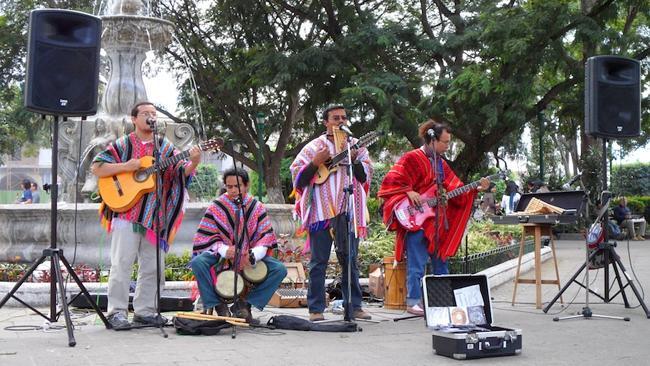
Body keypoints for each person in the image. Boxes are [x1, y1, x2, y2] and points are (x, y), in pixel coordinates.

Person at [91, 101, 201, 330]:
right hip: (127, 214)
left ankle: (145, 311)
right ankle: (117, 312)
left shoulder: (164, 145)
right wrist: (127, 167)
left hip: (155, 217)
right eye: (146, 113)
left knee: (153, 267)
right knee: (121, 264)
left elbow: (179, 173)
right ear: (134, 119)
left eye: (154, 113)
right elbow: (98, 167)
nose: (151, 116)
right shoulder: (123, 145)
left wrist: (194, 161)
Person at [378, 119, 489, 316]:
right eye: (445, 142)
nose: (448, 146)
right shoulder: (410, 158)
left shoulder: (441, 164)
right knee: (417, 264)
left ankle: (443, 301)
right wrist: (408, 192)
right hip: (416, 222)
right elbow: (391, 181)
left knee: (441, 262)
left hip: (436, 222)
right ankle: (413, 302)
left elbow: (455, 186)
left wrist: (476, 188)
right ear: (432, 140)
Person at [290, 105, 373, 322]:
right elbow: (298, 178)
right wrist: (316, 162)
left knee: (350, 259)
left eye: (344, 117)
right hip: (321, 211)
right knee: (319, 260)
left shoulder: (356, 146)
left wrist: (354, 160)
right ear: (326, 122)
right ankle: (316, 308)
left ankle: (354, 306)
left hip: (349, 209)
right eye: (335, 118)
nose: (340, 121)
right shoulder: (314, 147)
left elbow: (365, 178)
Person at [190, 168, 287, 323]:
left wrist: (254, 254)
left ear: (246, 185)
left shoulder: (256, 206)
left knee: (279, 269)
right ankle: (218, 305)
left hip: (249, 255)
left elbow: (266, 237)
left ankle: (244, 305)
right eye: (229, 187)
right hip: (221, 256)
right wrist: (223, 249)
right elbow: (204, 237)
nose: (233, 190)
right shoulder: (217, 206)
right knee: (198, 262)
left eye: (237, 186)